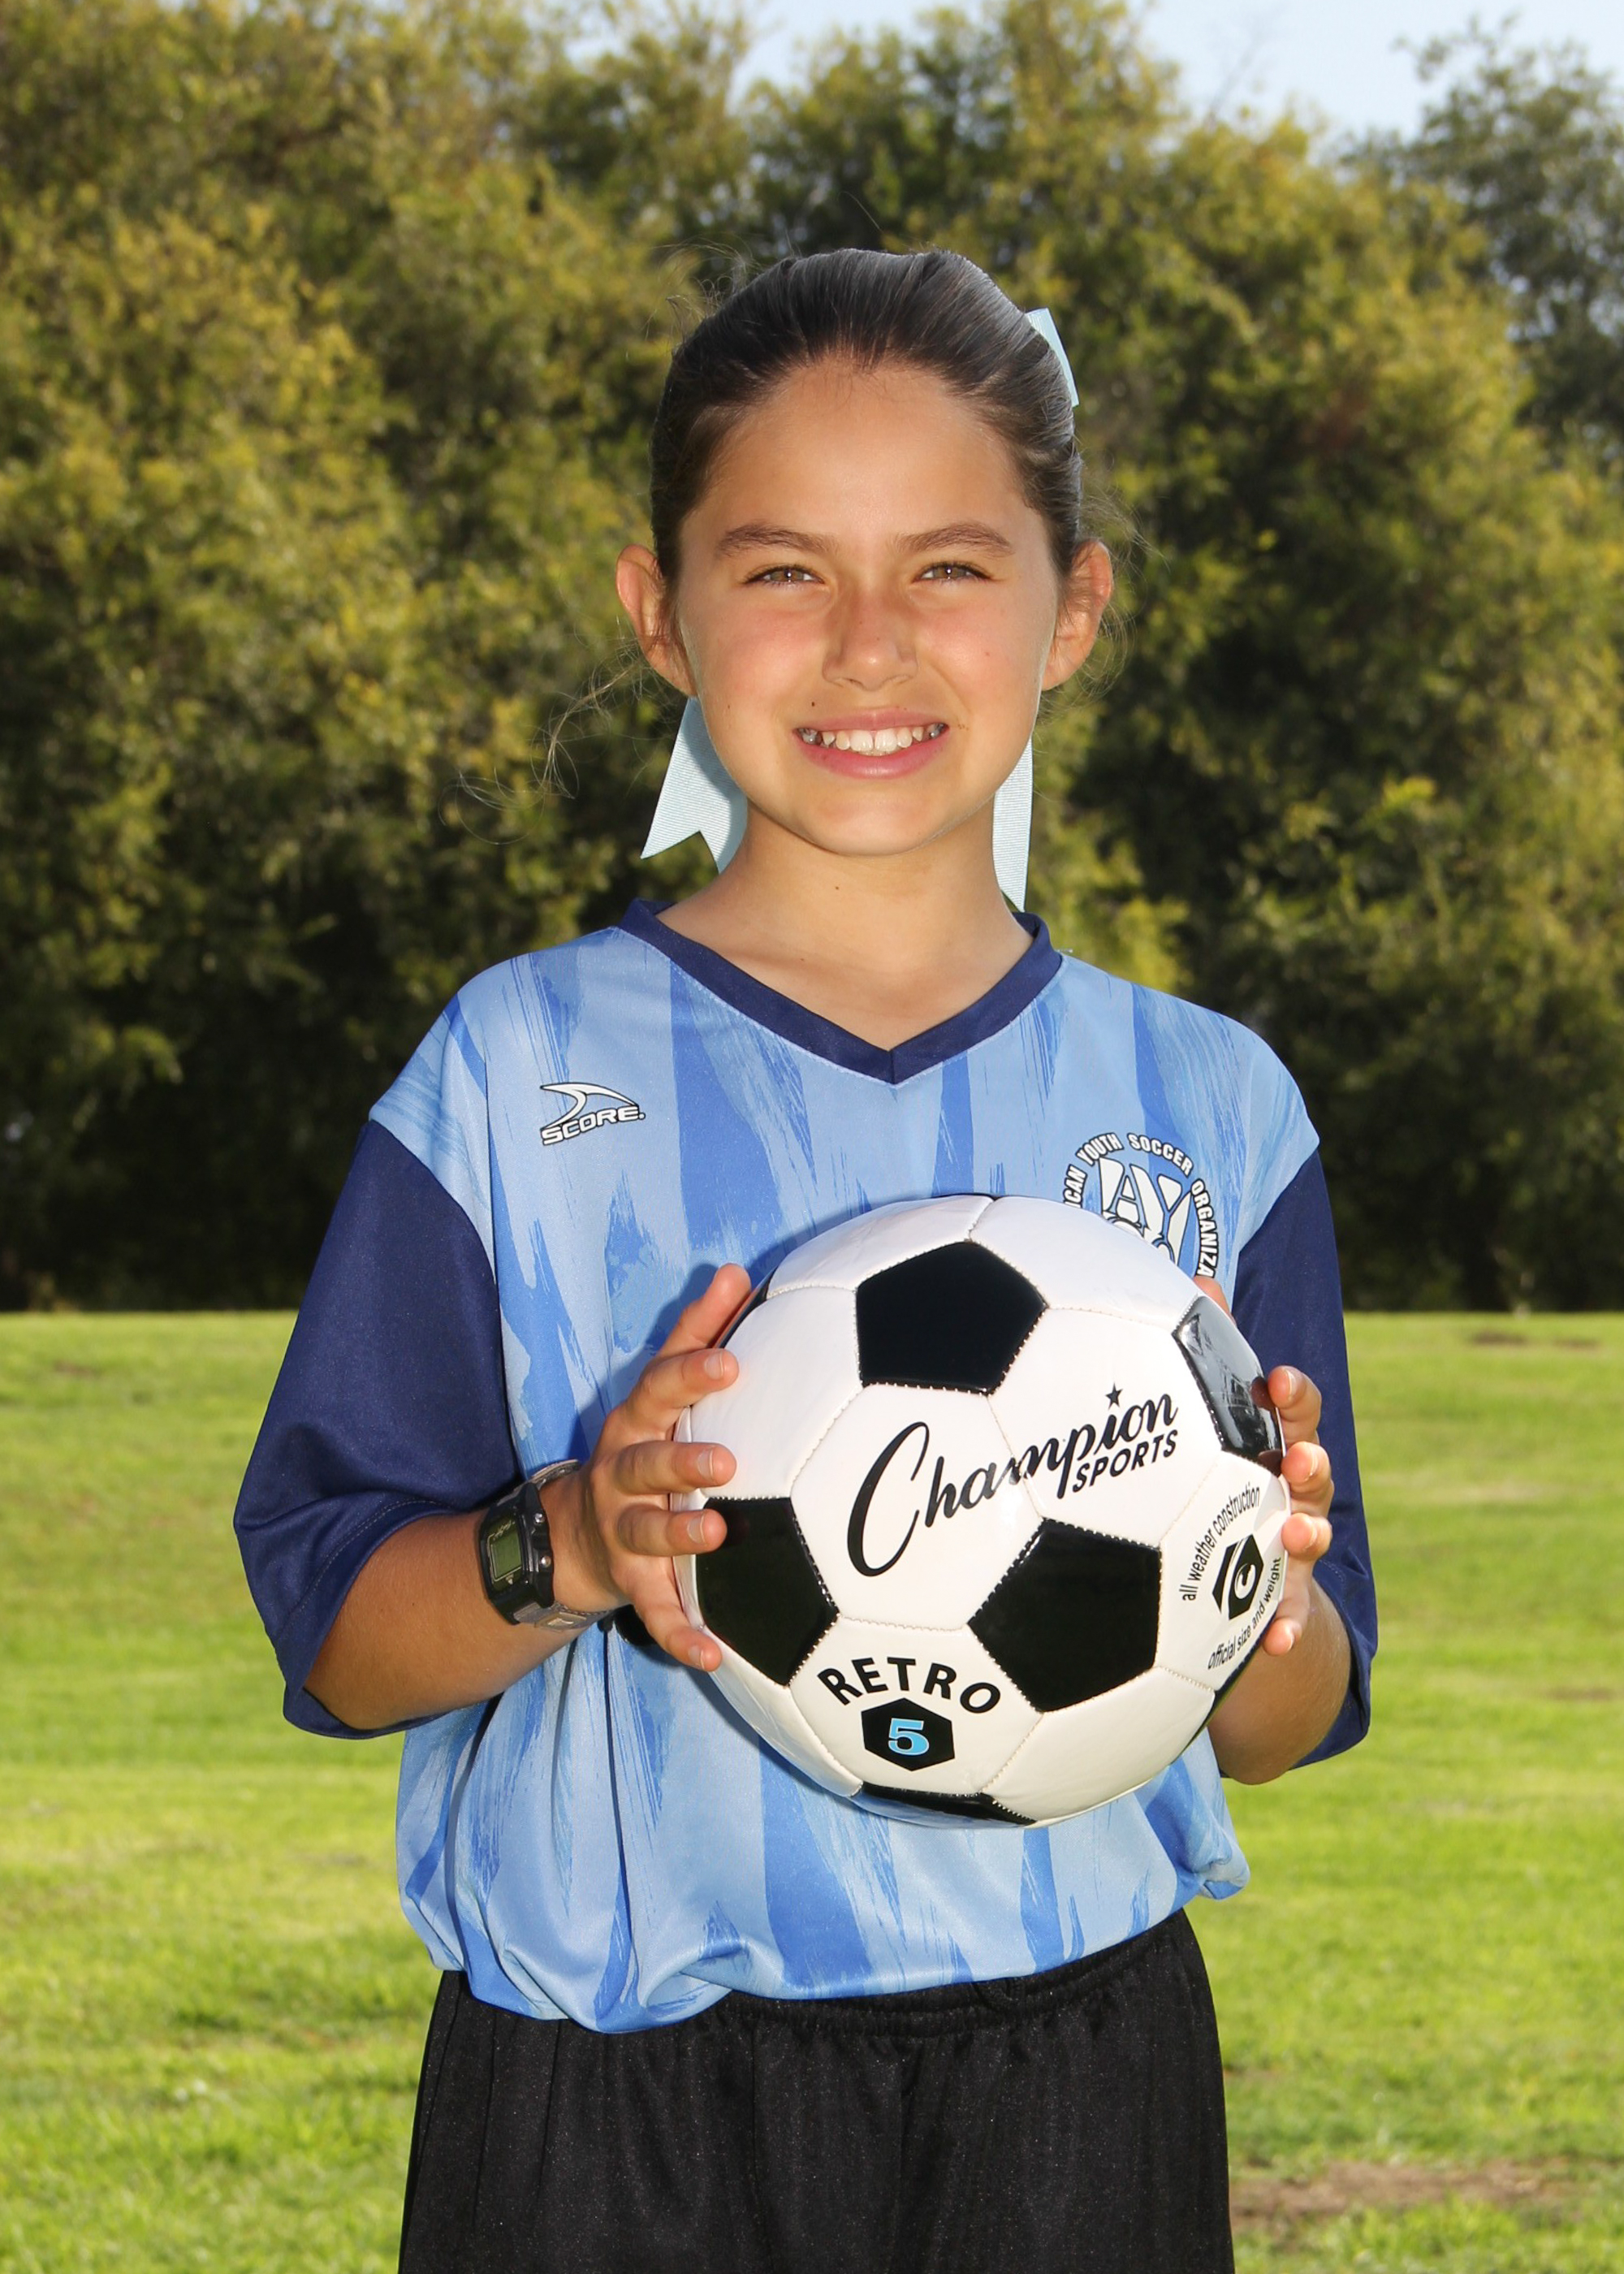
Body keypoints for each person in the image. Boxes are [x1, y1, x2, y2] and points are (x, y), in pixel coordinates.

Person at [235, 248, 1375, 2274]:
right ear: (658, 611)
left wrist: (1249, 1589)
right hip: (610, 2103)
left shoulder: (1208, 1100)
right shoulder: (511, 1068)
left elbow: (1286, 1712)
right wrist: (577, 1539)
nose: (868, 644)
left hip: (1071, 2087)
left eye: (948, 566)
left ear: (1072, 607)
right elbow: (338, 1635)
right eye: (782, 569)